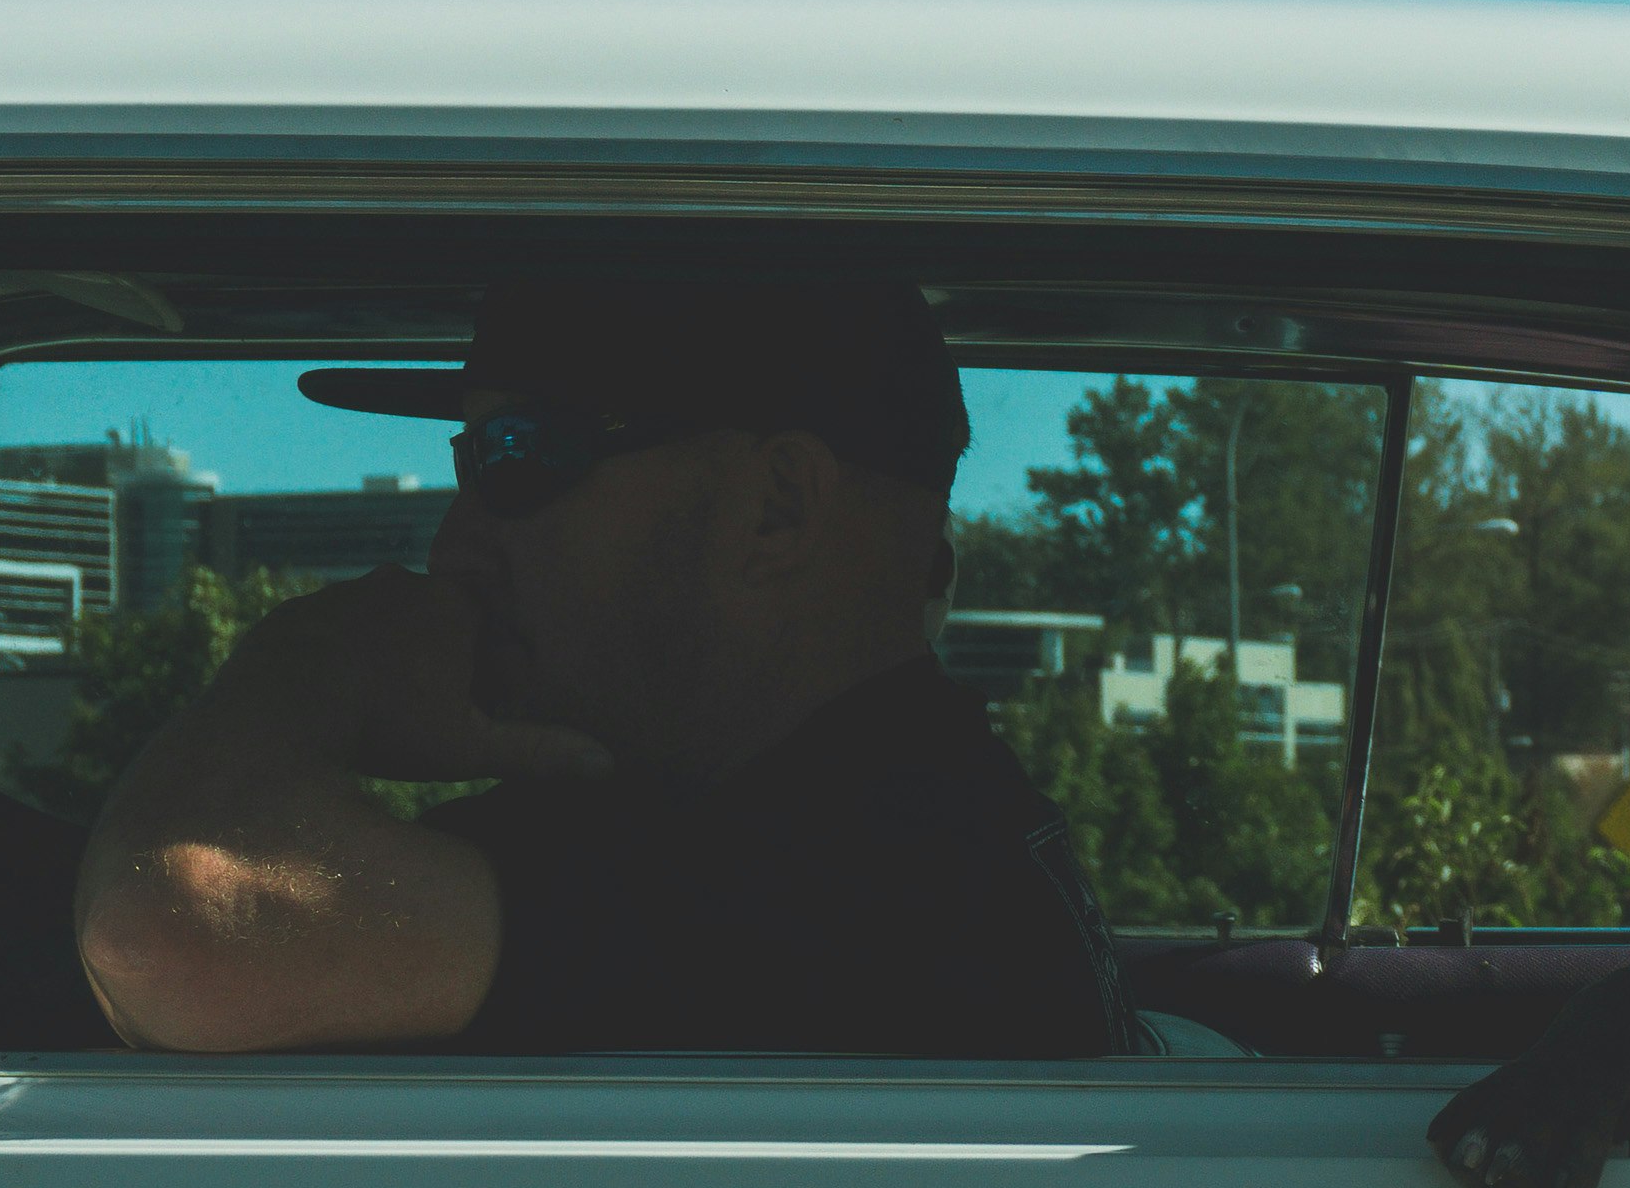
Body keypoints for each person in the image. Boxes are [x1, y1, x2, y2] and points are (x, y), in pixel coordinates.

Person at [75, 277, 1127, 1059]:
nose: (452, 547)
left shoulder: (879, 885)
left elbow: (173, 931)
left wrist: (311, 660)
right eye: (463, 466)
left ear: (778, 509)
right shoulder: (753, 808)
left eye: (519, 454)